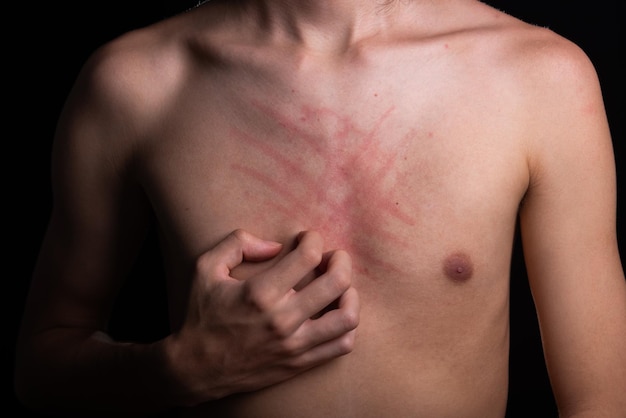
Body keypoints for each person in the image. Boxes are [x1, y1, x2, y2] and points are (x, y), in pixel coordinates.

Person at [15, 0, 626, 417]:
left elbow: (600, 404)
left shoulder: (540, 78)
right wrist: (178, 369)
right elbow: (39, 371)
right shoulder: (136, 83)